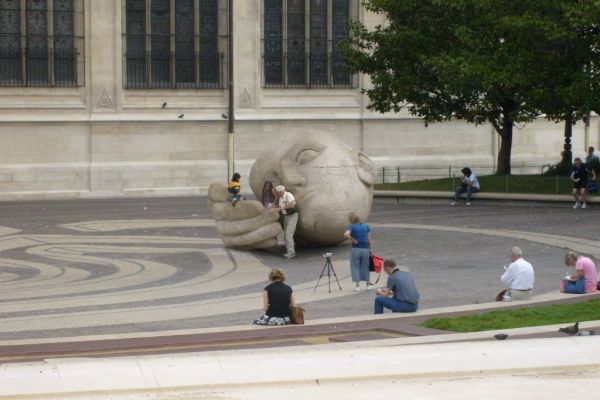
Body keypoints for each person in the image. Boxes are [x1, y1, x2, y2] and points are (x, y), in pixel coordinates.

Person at [343, 212, 373, 292]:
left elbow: (346, 234)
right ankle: (368, 285)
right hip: (365, 249)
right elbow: (369, 240)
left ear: (351, 219)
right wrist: (370, 249)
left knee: (355, 266)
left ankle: (357, 286)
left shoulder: (351, 226)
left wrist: (352, 239)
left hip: (355, 249)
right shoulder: (366, 226)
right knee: (366, 266)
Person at [275, 185, 298, 259]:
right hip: (286, 216)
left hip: (292, 216)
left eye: (277, 192)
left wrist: (282, 208)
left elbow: (292, 204)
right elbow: (281, 207)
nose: (277, 193)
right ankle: (289, 251)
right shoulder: (280, 198)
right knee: (286, 235)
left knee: (288, 234)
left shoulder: (288, 195)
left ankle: (291, 253)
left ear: (281, 191)